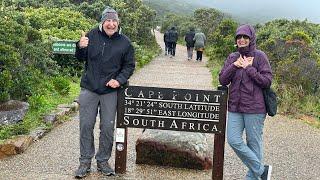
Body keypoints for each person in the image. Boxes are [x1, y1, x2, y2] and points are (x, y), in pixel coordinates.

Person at [74, 6, 135, 178]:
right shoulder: (91, 35)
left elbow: (129, 66)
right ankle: (85, 162)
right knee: (86, 126)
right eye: (108, 20)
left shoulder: (125, 42)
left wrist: (119, 80)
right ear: (102, 22)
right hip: (89, 88)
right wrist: (80, 46)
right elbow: (80, 58)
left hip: (110, 91)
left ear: (118, 23)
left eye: (114, 20)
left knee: (107, 128)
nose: (111, 24)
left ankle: (103, 161)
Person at [219, 24, 273, 180]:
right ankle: (261, 170)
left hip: (255, 109)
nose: (242, 40)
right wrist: (234, 66)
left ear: (251, 39)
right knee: (233, 140)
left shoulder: (260, 56)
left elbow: (267, 81)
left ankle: (253, 177)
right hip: (235, 107)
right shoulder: (232, 57)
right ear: (236, 40)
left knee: (253, 143)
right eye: (239, 37)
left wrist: (249, 68)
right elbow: (223, 80)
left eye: (245, 37)